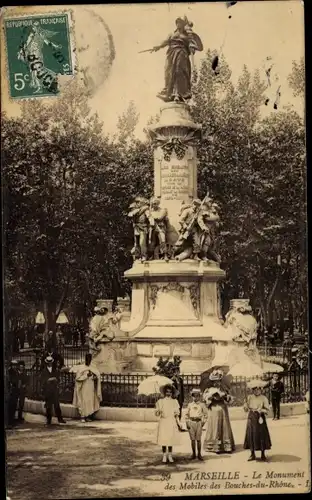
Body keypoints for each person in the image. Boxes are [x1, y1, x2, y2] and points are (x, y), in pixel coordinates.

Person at [151, 16, 203, 102]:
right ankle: (169, 93)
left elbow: (200, 47)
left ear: (183, 24)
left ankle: (179, 94)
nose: (178, 24)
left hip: (182, 54)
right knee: (168, 72)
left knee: (179, 72)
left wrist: (193, 43)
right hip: (171, 54)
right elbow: (165, 42)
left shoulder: (188, 35)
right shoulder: (172, 34)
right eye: (177, 22)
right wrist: (158, 47)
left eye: (180, 22)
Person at [243, 381, 271, 462]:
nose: (256, 391)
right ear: (252, 390)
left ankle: (262, 454)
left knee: (261, 435)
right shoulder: (249, 397)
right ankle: (252, 454)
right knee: (251, 435)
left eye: (258, 389)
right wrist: (245, 405)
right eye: (255, 389)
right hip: (251, 417)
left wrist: (262, 410)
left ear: (261, 390)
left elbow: (267, 410)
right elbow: (246, 409)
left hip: (260, 418)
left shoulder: (264, 398)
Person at [69, 354, 102, 422]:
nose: (88, 360)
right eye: (87, 359)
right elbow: (77, 378)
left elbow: (97, 376)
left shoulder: (93, 367)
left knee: (90, 400)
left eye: (89, 359)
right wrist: (86, 376)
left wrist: (94, 377)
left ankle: (88, 416)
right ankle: (82, 416)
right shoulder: (81, 368)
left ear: (91, 359)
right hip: (84, 387)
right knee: (83, 400)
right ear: (85, 359)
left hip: (91, 386)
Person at [203, 387, 235, 454]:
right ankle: (216, 447)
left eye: (218, 380)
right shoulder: (208, 390)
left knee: (224, 426)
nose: (216, 382)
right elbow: (205, 401)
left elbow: (230, 400)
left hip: (223, 409)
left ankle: (226, 447)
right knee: (215, 427)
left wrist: (225, 397)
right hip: (213, 410)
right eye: (214, 381)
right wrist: (211, 397)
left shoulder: (224, 389)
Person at [155, 384, 181, 463]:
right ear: (164, 393)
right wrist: (158, 411)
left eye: (170, 392)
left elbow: (176, 414)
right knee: (164, 439)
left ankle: (170, 455)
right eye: (167, 392)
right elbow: (157, 414)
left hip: (171, 421)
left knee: (170, 439)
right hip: (164, 421)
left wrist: (178, 423)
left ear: (172, 393)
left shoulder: (174, 402)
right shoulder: (160, 401)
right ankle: (164, 455)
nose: (168, 394)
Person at [40, 355, 66, 425]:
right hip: (48, 390)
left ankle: (60, 419)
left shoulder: (55, 370)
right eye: (48, 362)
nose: (50, 363)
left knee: (57, 405)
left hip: (54, 390)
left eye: (51, 362)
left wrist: (52, 379)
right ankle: (48, 420)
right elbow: (44, 380)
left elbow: (57, 378)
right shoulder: (44, 371)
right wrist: (52, 379)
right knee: (48, 406)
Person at [185, 388, 208, 460]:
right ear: (192, 396)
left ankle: (199, 454)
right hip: (191, 422)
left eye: (197, 396)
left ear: (199, 396)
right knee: (192, 439)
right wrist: (187, 423)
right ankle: (193, 454)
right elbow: (186, 415)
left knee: (198, 439)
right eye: (194, 396)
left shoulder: (202, 405)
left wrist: (203, 422)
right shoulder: (189, 405)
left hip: (199, 423)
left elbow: (206, 415)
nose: (195, 397)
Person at [7, 360, 20, 427]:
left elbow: (19, 381)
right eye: (13, 365)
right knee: (10, 407)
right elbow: (10, 382)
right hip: (11, 392)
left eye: (15, 365)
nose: (14, 366)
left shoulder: (17, 372)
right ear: (11, 365)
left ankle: (12, 421)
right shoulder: (9, 372)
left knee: (14, 407)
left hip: (15, 392)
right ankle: (9, 422)